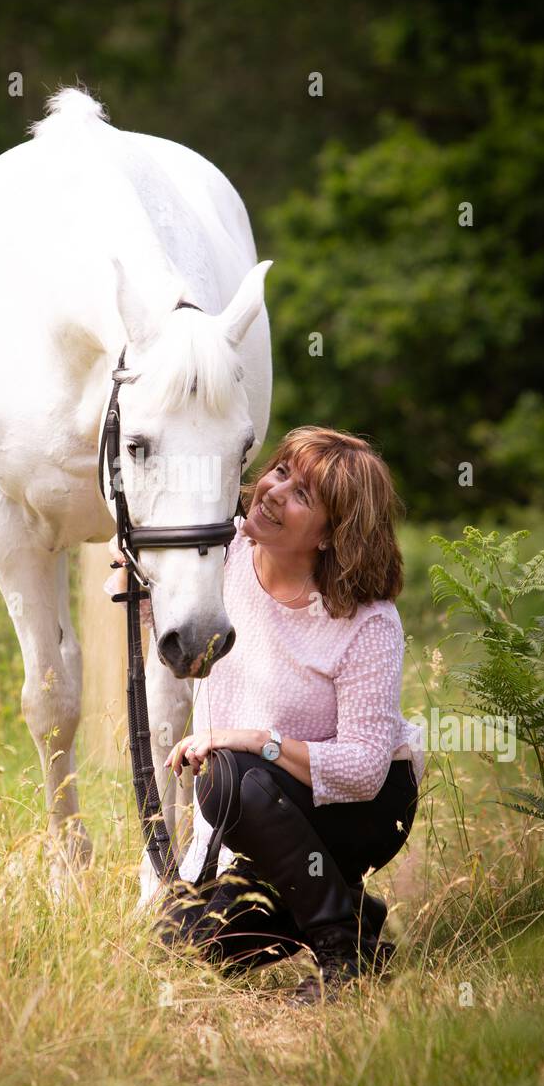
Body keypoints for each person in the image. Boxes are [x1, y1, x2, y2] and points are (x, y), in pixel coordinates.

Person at [105, 425, 425, 1006]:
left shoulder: (366, 620)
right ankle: (354, 917)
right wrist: (142, 568)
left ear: (333, 535)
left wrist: (254, 740)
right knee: (178, 946)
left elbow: (363, 770)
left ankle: (341, 954)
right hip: (262, 815)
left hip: (359, 811)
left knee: (226, 775)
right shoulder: (222, 556)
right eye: (280, 473)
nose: (275, 492)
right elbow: (184, 638)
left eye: (303, 495)